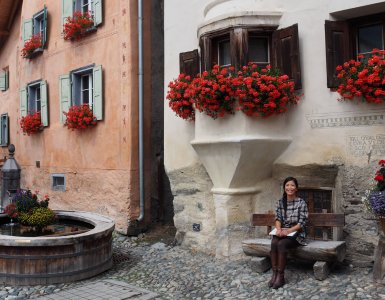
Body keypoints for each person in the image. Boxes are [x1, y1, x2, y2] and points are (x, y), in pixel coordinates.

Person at [268, 176, 308, 289]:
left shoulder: (301, 203)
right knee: (274, 242)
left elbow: (302, 223)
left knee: (281, 244)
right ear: (284, 187)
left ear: (296, 188)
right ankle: (274, 273)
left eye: (292, 185)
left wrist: (288, 231)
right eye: (287, 185)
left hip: (297, 233)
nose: (289, 187)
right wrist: (279, 230)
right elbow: (278, 218)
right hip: (284, 231)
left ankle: (281, 276)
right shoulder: (281, 202)